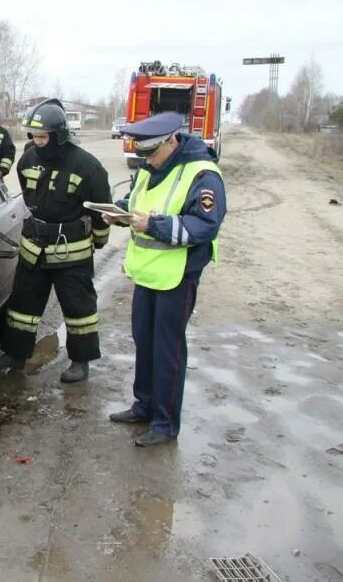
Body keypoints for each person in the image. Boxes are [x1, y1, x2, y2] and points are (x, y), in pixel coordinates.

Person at [107, 112, 227, 447]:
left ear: (171, 142)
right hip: (147, 273)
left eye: (151, 152)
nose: (147, 160)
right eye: (142, 154)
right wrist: (117, 213)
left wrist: (153, 226)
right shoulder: (150, 168)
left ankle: (164, 423)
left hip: (178, 276)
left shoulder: (203, 174)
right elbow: (136, 205)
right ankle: (144, 405)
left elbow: (205, 225)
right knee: (144, 341)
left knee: (168, 350)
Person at [0, 98, 112, 383]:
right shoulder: (28, 160)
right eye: (34, 136)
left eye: (43, 136)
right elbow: (29, 200)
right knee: (22, 305)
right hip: (34, 247)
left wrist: (99, 241)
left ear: (59, 134)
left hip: (72, 251)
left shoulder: (88, 166)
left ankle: (80, 361)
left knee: (78, 308)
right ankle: (15, 353)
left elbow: (102, 210)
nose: (37, 141)